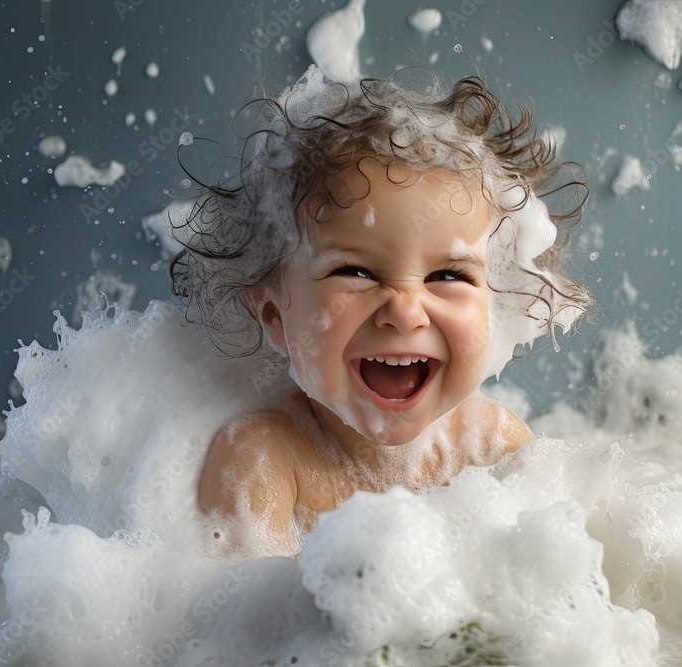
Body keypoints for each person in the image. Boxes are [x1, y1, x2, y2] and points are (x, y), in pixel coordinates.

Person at [169, 66, 591, 557]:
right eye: (357, 272)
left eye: (448, 277)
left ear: (497, 308)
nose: (405, 312)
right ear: (273, 316)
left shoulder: (492, 446)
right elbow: (245, 621)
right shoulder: (263, 458)